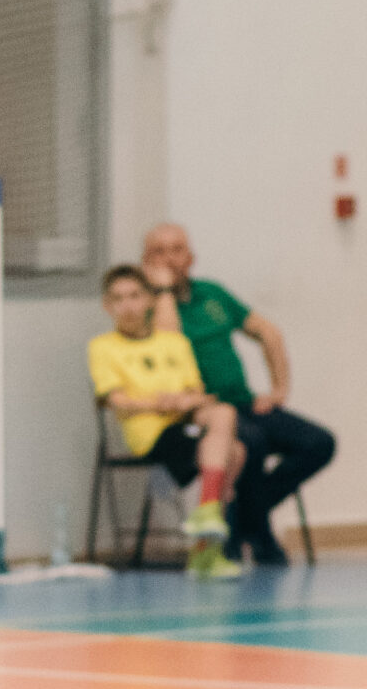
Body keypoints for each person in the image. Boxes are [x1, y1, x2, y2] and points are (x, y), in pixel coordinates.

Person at [139, 224, 332, 565]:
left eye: (177, 250)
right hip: (199, 413)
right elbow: (169, 344)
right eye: (159, 251)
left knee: (318, 443)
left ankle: (243, 521)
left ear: (191, 257)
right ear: (145, 261)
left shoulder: (212, 293)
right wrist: (163, 290)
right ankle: (258, 535)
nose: (169, 258)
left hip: (244, 403)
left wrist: (278, 390)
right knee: (251, 442)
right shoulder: (144, 304)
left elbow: (268, 333)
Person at [89, 264, 243, 579]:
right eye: (118, 299)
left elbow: (197, 392)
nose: (128, 306)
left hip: (186, 425)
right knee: (232, 452)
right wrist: (159, 403)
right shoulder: (103, 347)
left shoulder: (174, 343)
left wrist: (184, 401)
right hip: (152, 436)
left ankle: (206, 524)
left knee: (226, 421)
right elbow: (117, 401)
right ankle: (205, 551)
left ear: (149, 299)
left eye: (134, 296)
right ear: (107, 306)